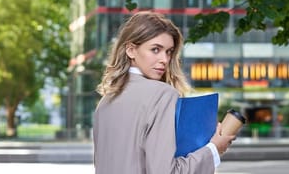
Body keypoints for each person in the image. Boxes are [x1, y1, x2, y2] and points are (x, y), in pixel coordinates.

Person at [93, 11, 236, 174]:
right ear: (131, 50)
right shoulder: (162, 94)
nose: (165, 59)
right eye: (155, 50)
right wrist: (214, 149)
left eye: (169, 52)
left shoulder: (106, 101)